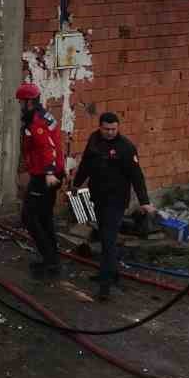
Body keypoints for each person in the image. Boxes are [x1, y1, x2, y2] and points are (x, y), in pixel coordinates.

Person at [71, 111, 154, 300]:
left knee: (108, 240)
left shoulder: (126, 148)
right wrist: (77, 184)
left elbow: (136, 176)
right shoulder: (94, 140)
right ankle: (112, 274)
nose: (110, 132)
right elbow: (85, 164)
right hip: (98, 197)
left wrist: (145, 202)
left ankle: (105, 287)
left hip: (116, 201)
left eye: (113, 129)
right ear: (100, 127)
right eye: (106, 129)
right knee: (105, 236)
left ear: (118, 128)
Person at [17, 82, 66, 280]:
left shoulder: (36, 121)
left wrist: (48, 172)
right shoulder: (41, 115)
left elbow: (47, 147)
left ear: (29, 102)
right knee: (44, 217)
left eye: (21, 102)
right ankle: (52, 260)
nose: (20, 105)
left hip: (45, 176)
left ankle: (50, 260)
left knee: (29, 217)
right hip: (50, 173)